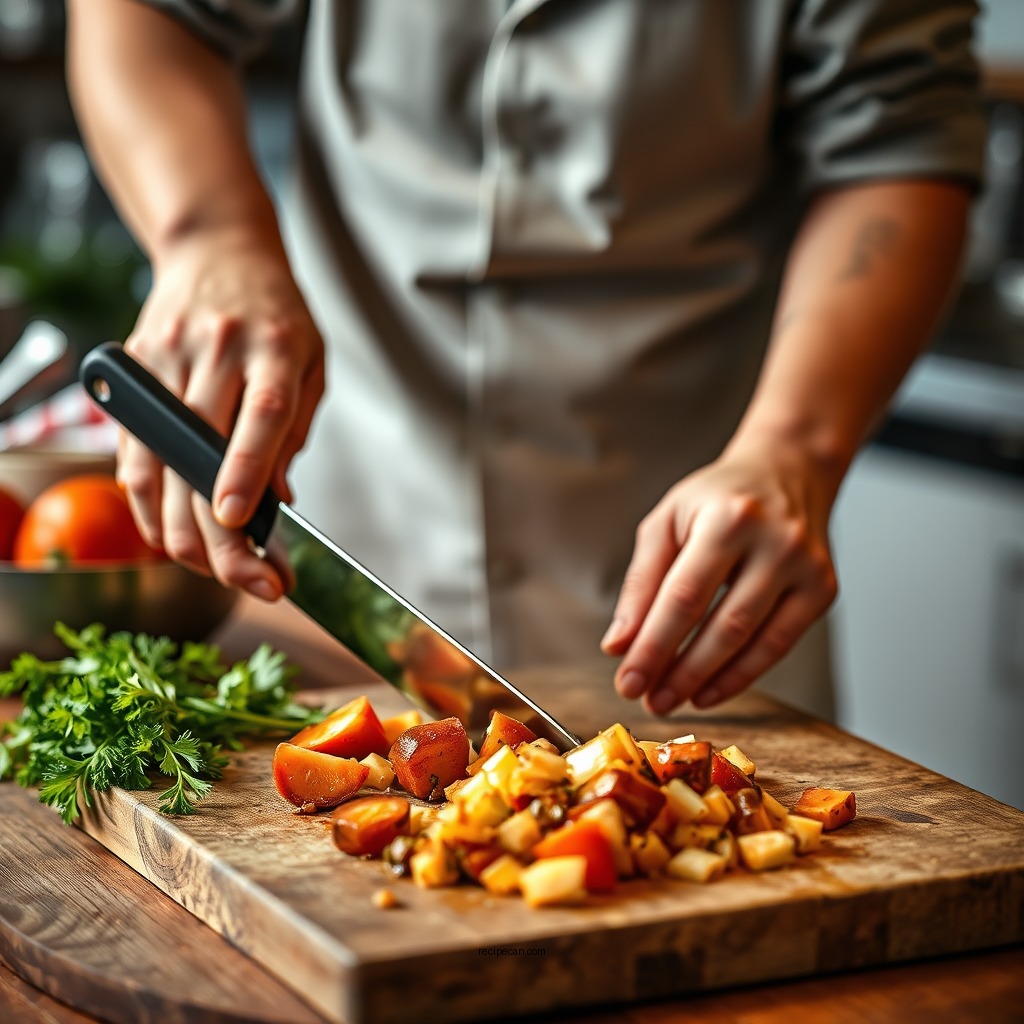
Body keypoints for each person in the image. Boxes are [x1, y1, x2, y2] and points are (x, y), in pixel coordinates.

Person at [66, 0, 985, 721]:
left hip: (704, 595)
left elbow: (899, 139)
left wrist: (795, 448)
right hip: (345, 543)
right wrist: (210, 240)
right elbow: (151, 12)